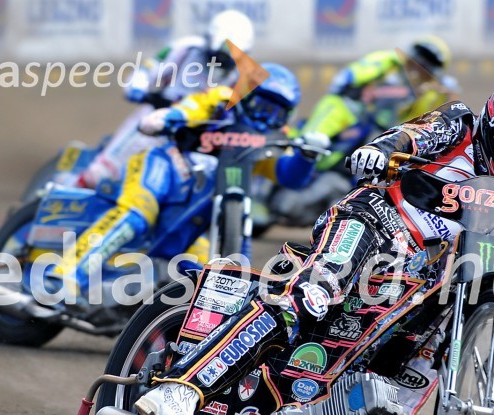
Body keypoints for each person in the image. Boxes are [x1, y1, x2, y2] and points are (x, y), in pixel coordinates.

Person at [135, 76, 494, 415]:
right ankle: (180, 389)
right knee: (311, 295)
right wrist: (381, 151)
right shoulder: (460, 123)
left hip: (416, 277)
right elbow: (412, 136)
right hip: (373, 220)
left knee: (445, 325)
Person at [49, 64, 328, 300]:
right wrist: (171, 116)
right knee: (136, 215)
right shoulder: (221, 101)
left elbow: (289, 176)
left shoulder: (271, 139)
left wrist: (307, 156)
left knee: (200, 266)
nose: (264, 118)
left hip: (195, 214)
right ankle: (64, 274)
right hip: (165, 167)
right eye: (260, 106)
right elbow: (192, 108)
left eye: (275, 113)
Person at [78, 10, 256, 188]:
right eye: (223, 50)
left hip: (196, 138)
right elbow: (149, 69)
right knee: (99, 174)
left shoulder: (242, 78)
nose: (225, 58)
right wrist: (137, 87)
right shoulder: (187, 49)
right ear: (210, 38)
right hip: (156, 118)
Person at [299, 36, 460, 174]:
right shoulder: (388, 61)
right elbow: (348, 77)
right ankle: (301, 146)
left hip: (384, 130)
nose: (421, 64)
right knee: (335, 107)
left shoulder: (432, 91)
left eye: (429, 63)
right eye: (421, 57)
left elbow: (423, 125)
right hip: (357, 113)